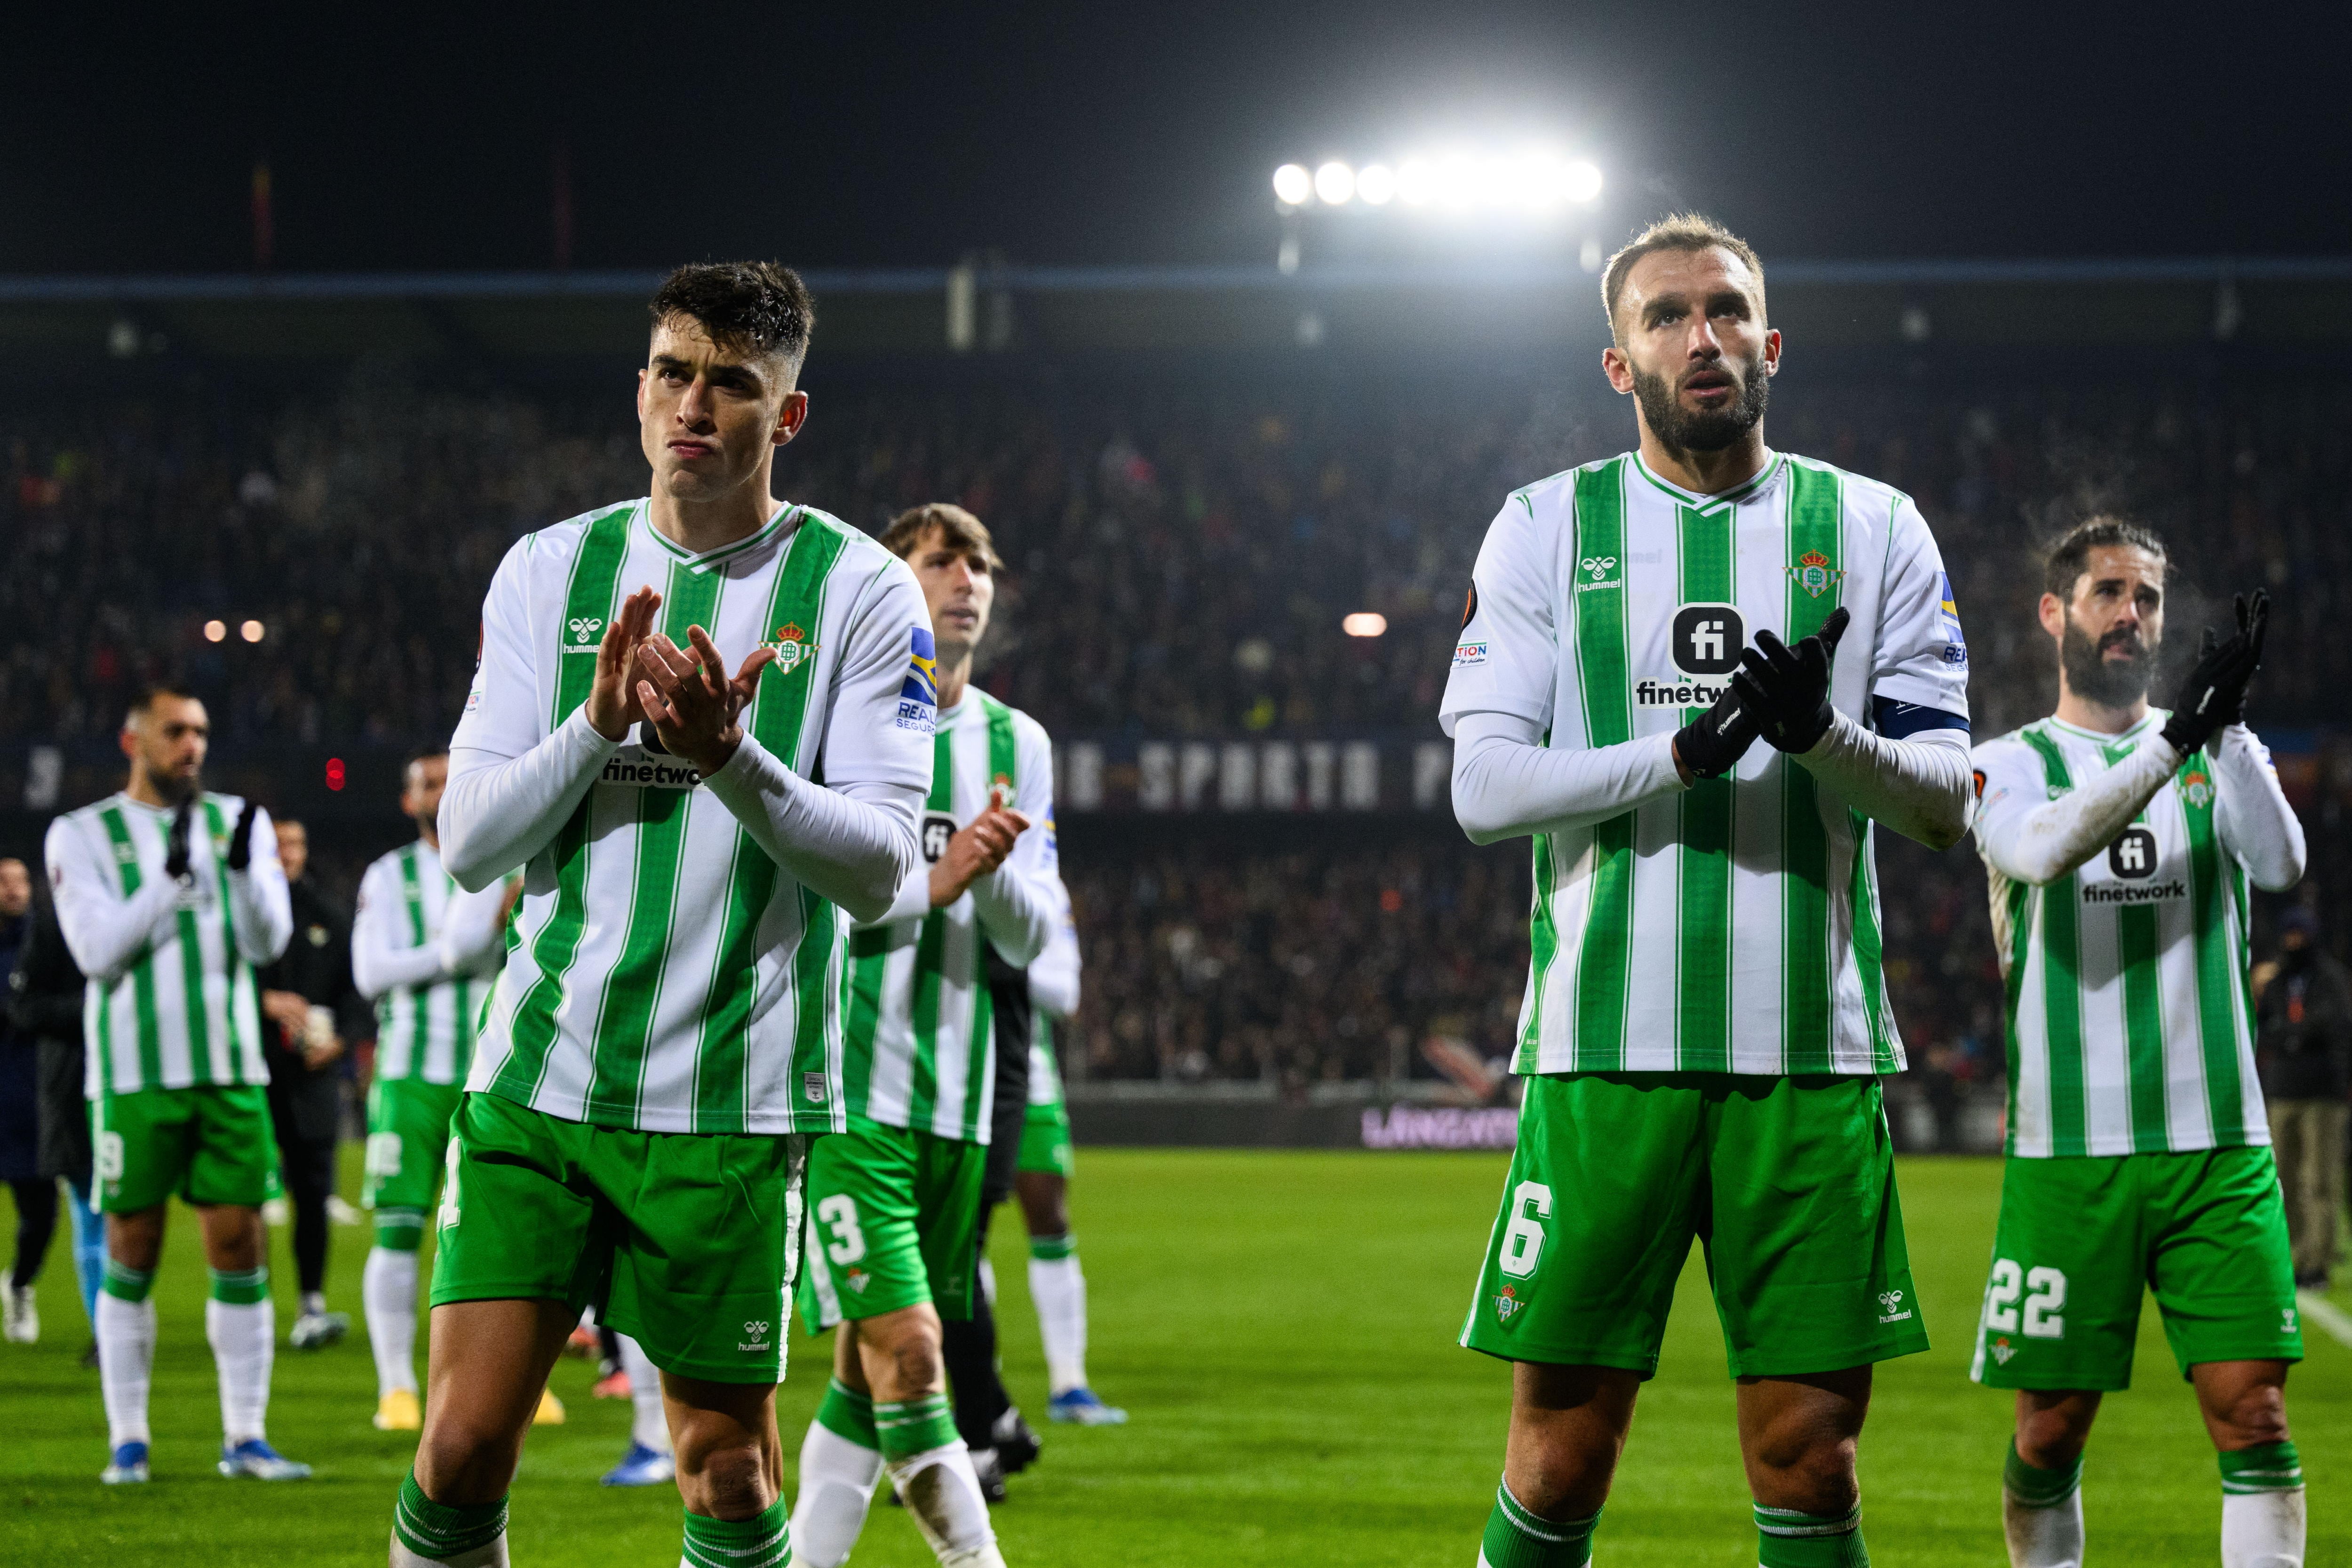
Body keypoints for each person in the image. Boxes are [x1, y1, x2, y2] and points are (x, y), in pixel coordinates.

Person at [1443, 213, 1972, 1568]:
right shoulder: (1542, 527)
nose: (1704, 338)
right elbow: (1485, 788)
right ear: (1618, 363)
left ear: (1771, 342)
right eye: (1668, 317)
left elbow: (1944, 808)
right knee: (1558, 1461)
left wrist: (1819, 737)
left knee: (1810, 1452)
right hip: (1601, 1056)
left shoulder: (1874, 525)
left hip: (1809, 1054)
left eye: (1728, 311)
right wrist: (1686, 749)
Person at [388, 261, 932, 1568]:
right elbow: (468, 845)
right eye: (674, 372)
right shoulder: (546, 570)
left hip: (732, 1104)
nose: (695, 403)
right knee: (460, 1443)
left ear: (784, 417)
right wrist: (597, 725)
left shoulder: (863, 592)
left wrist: (728, 759)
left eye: (733, 382)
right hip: (540, 1078)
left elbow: (880, 872)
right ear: (640, 390)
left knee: (730, 1472)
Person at [1969, 518, 2306, 1568]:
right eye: (2109, 591)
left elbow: (2281, 864)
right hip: (2068, 1159)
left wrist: (2230, 730)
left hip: (2218, 1147)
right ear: (2053, 613)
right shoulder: (2003, 766)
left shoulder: (2212, 751)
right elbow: (2044, 852)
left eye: (2148, 597)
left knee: (2253, 1417)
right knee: (2048, 1430)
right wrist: (2173, 741)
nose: (2131, 613)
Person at [791, 502, 1055, 1568]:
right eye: (942, 560)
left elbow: (1034, 933)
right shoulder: (830, 727)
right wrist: (935, 880)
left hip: (957, 1104)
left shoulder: (1014, 741)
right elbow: (800, 893)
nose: (968, 580)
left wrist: (985, 882)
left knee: (866, 1381)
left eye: (981, 563)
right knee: (911, 1355)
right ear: (892, 580)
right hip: (850, 1103)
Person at [44, 685, 306, 1484]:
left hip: (229, 1070)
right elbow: (96, 952)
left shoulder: (241, 820)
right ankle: (129, 1440)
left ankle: (247, 1437)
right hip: (134, 1075)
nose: (191, 744)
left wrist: (245, 878)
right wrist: (171, 875)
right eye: (174, 731)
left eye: (199, 730)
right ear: (136, 741)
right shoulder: (82, 832)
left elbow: (269, 941)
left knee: (240, 1244)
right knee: (133, 1245)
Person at [352, 753, 550, 1433]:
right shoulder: (387, 874)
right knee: (401, 1226)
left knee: (506, 1242)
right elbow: (370, 972)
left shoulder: (515, 862)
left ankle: (521, 1386)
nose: (439, 792)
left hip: (496, 1071)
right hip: (409, 1071)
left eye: (448, 779)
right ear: (408, 800)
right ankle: (396, 1386)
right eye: (427, 783)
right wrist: (448, 955)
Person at [1012, 883, 1123, 1425]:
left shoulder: (1044, 888)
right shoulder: (931, 860)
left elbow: (1062, 994)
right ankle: (971, 1389)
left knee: (1050, 1219)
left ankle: (1069, 1384)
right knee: (960, 1236)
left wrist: (984, 961)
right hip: (943, 1074)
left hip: (1024, 1073)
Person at [257, 816, 366, 1351]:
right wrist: (262, 1001)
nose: (289, 853)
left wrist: (341, 1042)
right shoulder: (243, 914)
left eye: (297, 843)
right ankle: (248, 1302)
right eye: (278, 844)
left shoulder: (329, 915)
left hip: (313, 1074)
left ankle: (311, 1302)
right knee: (246, 1194)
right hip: (252, 1070)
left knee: (313, 1190)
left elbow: (355, 992)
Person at [16, 855, 104, 1359]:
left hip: (135, 1088)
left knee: (131, 1214)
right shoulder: (51, 929)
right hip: (72, 1089)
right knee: (90, 1216)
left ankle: (123, 1319)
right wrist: (94, 1007)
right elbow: (24, 1008)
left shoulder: (134, 920)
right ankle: (105, 1330)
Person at [2256, 906, 2351, 1289]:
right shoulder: (2279, 982)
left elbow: (2333, 1026)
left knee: (2319, 1178)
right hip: (2283, 1090)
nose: (2294, 942)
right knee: (2284, 1178)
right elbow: (2265, 1027)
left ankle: (2317, 1260)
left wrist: (2293, 1035)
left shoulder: (2329, 978)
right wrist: (2295, 1034)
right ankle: (2293, 1254)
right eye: (2289, 935)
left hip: (2322, 1093)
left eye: (2300, 936)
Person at [0, 857, 47, 1343]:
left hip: (29, 1095)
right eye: (3, 881)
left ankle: (19, 1285)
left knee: (40, 1213)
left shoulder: (47, 942)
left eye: (20, 881)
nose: (14, 890)